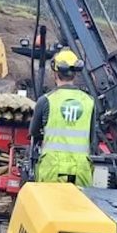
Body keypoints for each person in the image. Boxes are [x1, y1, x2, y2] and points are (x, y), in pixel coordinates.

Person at [29, 48, 96, 187]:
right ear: (75, 74)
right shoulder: (89, 101)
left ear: (55, 72)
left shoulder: (46, 100)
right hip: (80, 169)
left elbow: (33, 132)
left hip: (52, 168)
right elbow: (91, 138)